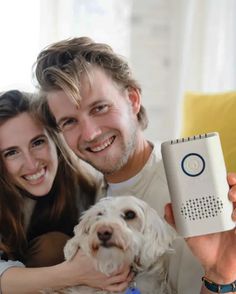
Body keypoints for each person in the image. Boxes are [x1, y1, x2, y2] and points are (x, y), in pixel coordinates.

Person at [34, 37, 236, 294]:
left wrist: (220, 274)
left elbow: (219, 273)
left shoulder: (184, 195)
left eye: (100, 108)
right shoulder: (84, 190)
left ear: (132, 100)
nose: (90, 133)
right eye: (70, 122)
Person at [0, 90, 131, 293]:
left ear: (55, 140)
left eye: (37, 142)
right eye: (11, 152)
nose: (31, 163)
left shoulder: (85, 186)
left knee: (54, 246)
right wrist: (73, 273)